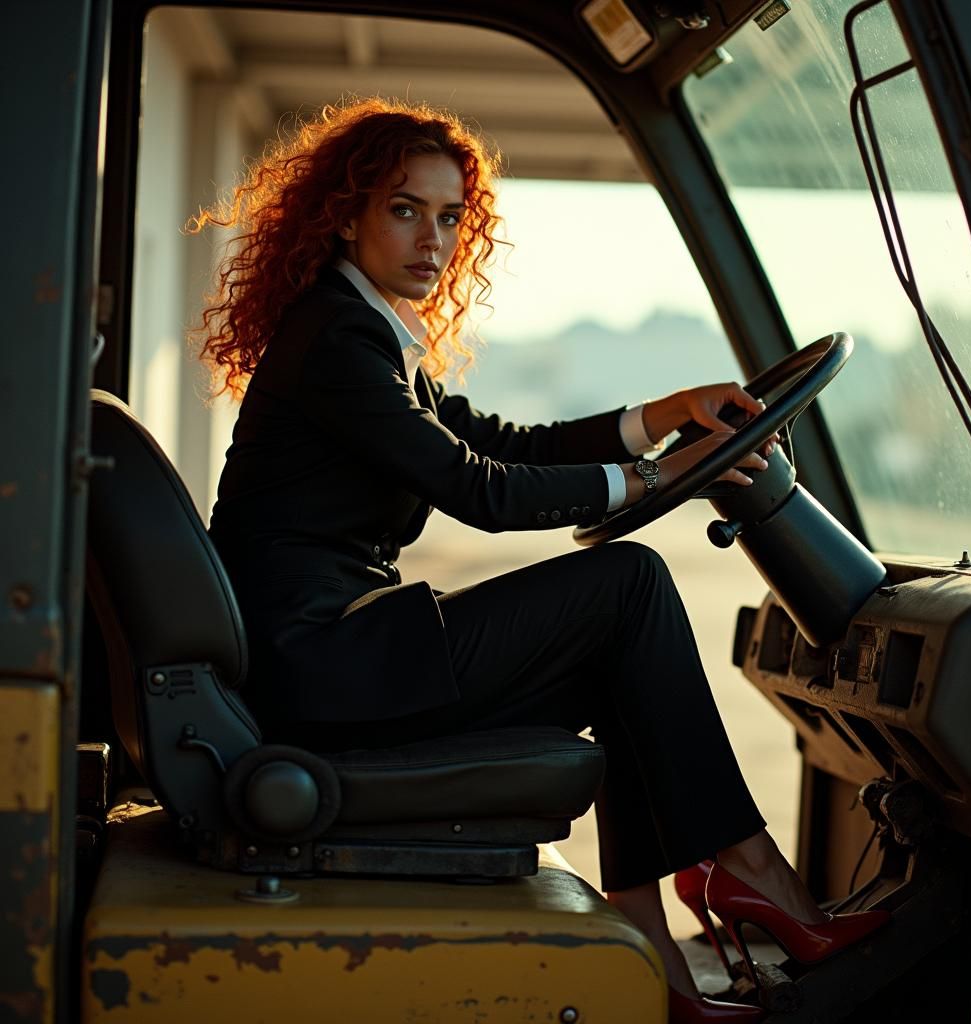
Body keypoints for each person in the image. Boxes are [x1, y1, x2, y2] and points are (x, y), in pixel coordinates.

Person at [191, 97, 887, 1023]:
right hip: (319, 667)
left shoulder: (366, 333)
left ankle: (657, 957)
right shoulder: (338, 340)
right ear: (345, 215)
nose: (433, 240)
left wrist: (663, 415)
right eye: (404, 210)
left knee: (612, 656)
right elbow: (478, 489)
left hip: (335, 657)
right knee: (629, 583)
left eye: (450, 217)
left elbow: (504, 441)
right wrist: (653, 479)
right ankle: (748, 868)